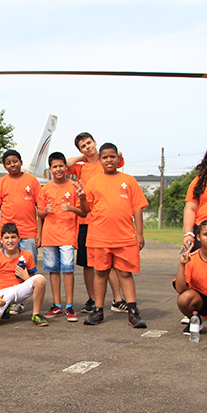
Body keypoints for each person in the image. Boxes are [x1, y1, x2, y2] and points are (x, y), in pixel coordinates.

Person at [82, 143, 148, 329]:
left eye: (112, 157)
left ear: (118, 159)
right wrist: (80, 197)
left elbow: (137, 208)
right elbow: (86, 210)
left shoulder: (129, 181)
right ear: (100, 160)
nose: (109, 160)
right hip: (99, 236)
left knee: (125, 273)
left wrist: (139, 233)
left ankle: (133, 311)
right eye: (105, 157)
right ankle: (98, 310)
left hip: (125, 236)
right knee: (100, 272)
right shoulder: (94, 182)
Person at [65, 133, 128, 314]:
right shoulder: (80, 167)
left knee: (111, 262)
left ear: (95, 142)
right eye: (83, 146)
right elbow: (67, 163)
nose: (88, 147)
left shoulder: (106, 161)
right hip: (86, 220)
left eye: (89, 143)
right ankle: (92, 299)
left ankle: (117, 299)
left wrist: (100, 155)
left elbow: (120, 155)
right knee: (88, 263)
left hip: (106, 219)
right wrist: (82, 157)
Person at [38, 152, 88, 322]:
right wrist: (46, 211)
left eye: (61, 166)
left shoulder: (74, 186)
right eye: (55, 166)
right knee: (53, 269)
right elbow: (40, 213)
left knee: (68, 268)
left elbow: (83, 212)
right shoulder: (45, 189)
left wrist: (72, 208)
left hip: (67, 235)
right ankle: (57, 305)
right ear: (50, 169)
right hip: (50, 236)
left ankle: (70, 306)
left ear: (66, 168)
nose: (58, 169)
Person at [0, 149, 41, 315]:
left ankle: (21, 301)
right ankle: (9, 299)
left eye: (15, 161)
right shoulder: (0, 183)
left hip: (28, 233)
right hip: (8, 235)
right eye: (8, 163)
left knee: (27, 270)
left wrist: (39, 233)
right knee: (9, 269)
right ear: (4, 166)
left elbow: (40, 209)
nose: (12, 165)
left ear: (20, 161)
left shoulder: (32, 181)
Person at [0, 223, 48, 327]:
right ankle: (5, 309)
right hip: (2, 293)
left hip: (19, 290)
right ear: (1, 240)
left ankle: (36, 314)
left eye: (13, 237)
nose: (10, 241)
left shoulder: (27, 255)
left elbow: (33, 281)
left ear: (19, 239)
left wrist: (25, 277)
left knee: (40, 279)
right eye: (7, 238)